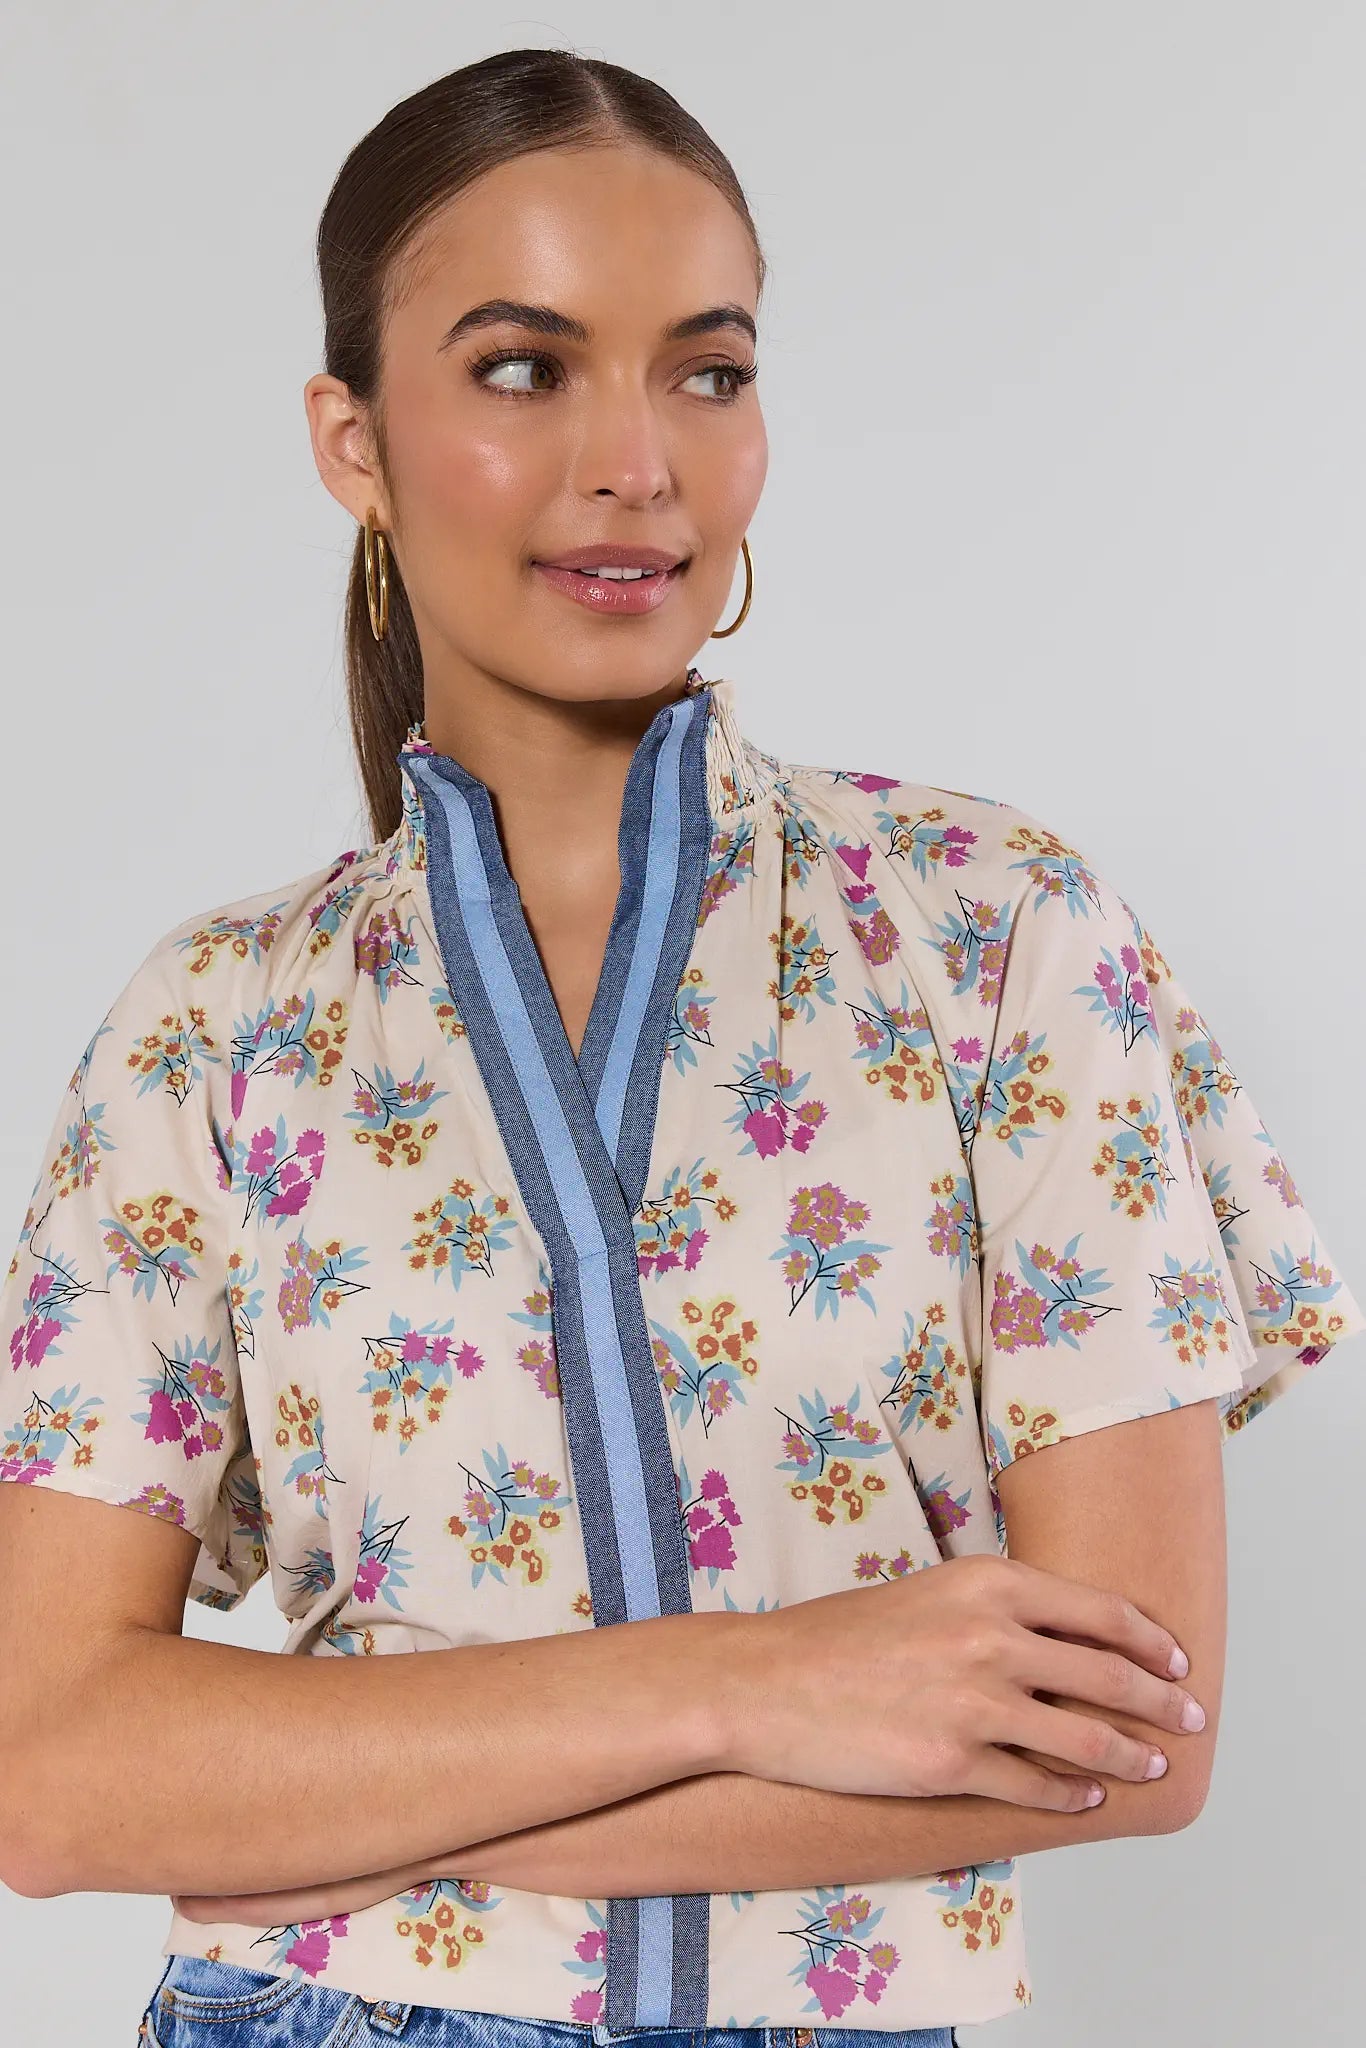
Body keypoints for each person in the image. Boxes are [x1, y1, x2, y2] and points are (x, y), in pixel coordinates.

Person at [0, 46, 1361, 2048]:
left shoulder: (998, 940)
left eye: (704, 370)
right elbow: (57, 1772)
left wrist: (362, 1805)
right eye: (523, 368)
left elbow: (1131, 1731)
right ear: (350, 440)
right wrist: (762, 1680)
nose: (633, 462)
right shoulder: (212, 1025)